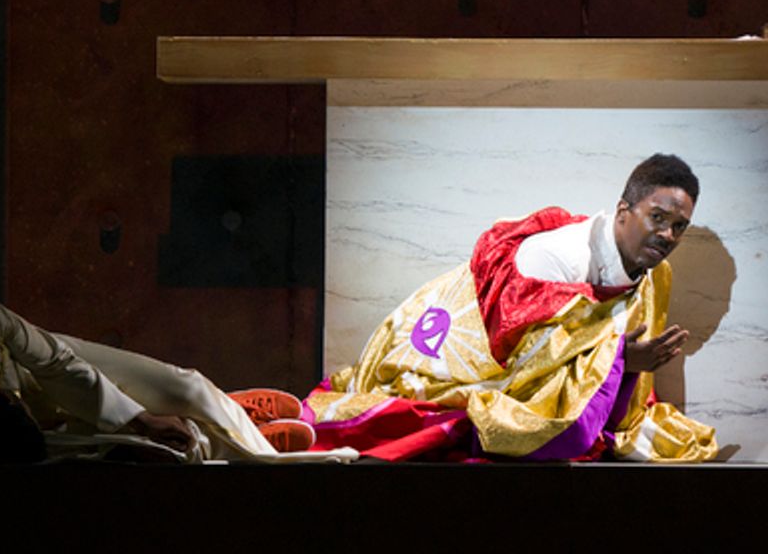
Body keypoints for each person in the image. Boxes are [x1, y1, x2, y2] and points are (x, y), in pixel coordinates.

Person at [304, 153, 718, 462]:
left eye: (678, 226)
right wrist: (618, 360)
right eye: (658, 217)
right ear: (624, 211)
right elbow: (518, 360)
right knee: (441, 421)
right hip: (458, 353)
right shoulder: (560, 261)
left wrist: (613, 362)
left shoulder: (654, 270)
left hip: (514, 359)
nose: (667, 234)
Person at [0, 294, 358, 464]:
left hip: (53, 372)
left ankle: (224, 407)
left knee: (185, 386)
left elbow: (55, 364)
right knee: (169, 452)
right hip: (25, 441)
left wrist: (142, 417)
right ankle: (238, 442)